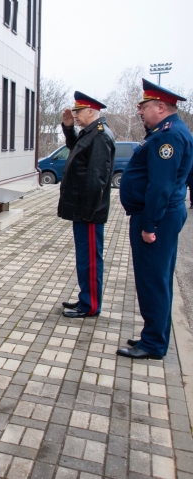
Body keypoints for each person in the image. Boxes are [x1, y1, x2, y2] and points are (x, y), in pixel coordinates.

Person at [117, 79, 193, 360]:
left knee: (152, 280)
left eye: (145, 106)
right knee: (157, 279)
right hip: (166, 214)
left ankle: (153, 344)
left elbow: (160, 186)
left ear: (161, 107)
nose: (140, 111)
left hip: (157, 218)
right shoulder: (175, 131)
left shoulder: (167, 137)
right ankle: (154, 335)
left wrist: (149, 226)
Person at [58, 92, 115, 319]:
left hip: (88, 212)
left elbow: (97, 178)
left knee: (91, 259)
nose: (76, 115)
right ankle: (86, 298)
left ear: (91, 111)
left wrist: (88, 211)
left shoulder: (100, 135)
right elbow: (75, 149)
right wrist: (69, 127)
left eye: (79, 112)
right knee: (84, 257)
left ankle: (90, 305)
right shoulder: (90, 133)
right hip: (83, 210)